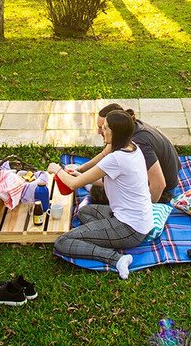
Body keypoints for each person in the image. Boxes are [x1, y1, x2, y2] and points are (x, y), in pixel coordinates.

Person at [48, 110, 153, 280]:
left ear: (115, 132)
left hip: (130, 228)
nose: (101, 132)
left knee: (63, 242)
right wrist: (80, 176)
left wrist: (56, 169)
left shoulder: (116, 159)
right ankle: (101, 236)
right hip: (140, 220)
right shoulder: (133, 148)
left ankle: (117, 259)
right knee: (83, 212)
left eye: (105, 128)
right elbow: (114, 183)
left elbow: (73, 185)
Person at [71, 103, 180, 204]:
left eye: (103, 128)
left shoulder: (140, 143)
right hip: (156, 178)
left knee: (99, 191)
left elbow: (159, 185)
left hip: (164, 192)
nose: (99, 132)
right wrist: (81, 169)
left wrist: (147, 209)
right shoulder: (128, 127)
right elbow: (105, 153)